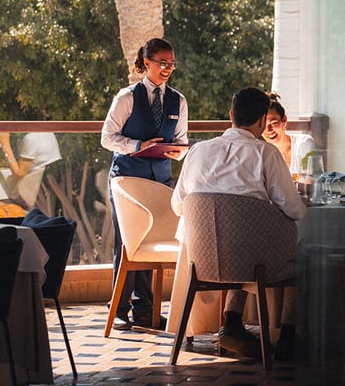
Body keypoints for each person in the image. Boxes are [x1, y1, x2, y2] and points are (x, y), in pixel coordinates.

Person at [171, 87, 306, 360]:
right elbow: (294, 210)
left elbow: (177, 205)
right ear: (260, 121)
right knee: (301, 254)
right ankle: (288, 337)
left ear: (231, 115)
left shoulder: (197, 151)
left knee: (240, 239)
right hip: (251, 260)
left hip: (202, 259)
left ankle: (232, 322)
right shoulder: (265, 154)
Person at [101, 37, 188, 330]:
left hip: (161, 181)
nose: (167, 68)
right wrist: (138, 144)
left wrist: (176, 151)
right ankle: (120, 308)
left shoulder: (178, 100)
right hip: (127, 181)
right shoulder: (126, 97)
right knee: (127, 243)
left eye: (171, 63)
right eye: (162, 63)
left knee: (154, 243)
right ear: (147, 62)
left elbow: (179, 140)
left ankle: (146, 309)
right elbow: (107, 137)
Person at [0, 132, 62, 212]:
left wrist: (5, 144)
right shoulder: (47, 133)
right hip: (43, 188)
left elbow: (19, 174)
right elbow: (28, 165)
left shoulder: (31, 138)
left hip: (32, 195)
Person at [263, 92, 316, 176]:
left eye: (273, 123)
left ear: (284, 120)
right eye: (263, 125)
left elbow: (310, 181)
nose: (268, 130)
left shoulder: (304, 143)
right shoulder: (262, 156)